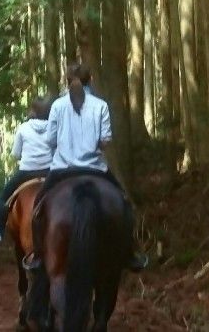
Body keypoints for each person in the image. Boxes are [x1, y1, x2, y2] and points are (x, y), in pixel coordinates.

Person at [25, 63, 148, 272]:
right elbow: (106, 140)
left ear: (66, 81)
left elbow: (50, 140)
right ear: (90, 80)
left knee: (38, 208)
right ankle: (130, 253)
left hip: (62, 169)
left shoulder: (57, 106)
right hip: (95, 169)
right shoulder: (100, 105)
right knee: (124, 203)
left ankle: (37, 254)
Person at [0, 96, 54, 244]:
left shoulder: (23, 128)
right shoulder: (53, 127)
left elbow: (16, 154)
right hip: (50, 172)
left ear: (33, 111)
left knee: (3, 198)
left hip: (26, 172)